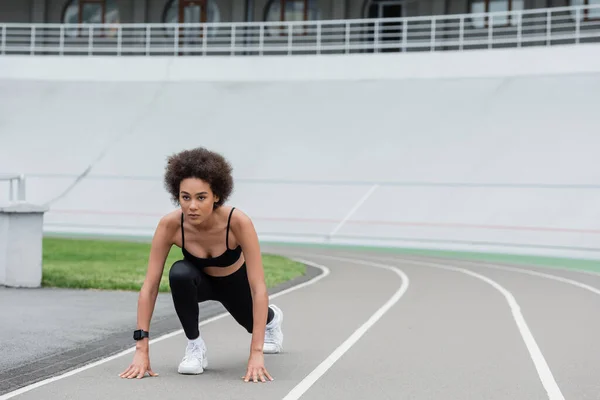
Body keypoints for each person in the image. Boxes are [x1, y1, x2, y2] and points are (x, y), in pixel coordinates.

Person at [119, 147, 284, 383]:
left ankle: (272, 320)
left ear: (216, 195)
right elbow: (150, 287)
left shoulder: (238, 222)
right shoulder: (170, 226)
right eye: (185, 197)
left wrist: (256, 353)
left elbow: (258, 287)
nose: (192, 206)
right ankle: (195, 347)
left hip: (235, 284)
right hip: (200, 283)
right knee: (179, 273)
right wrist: (141, 349)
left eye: (201, 197)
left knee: (253, 322)